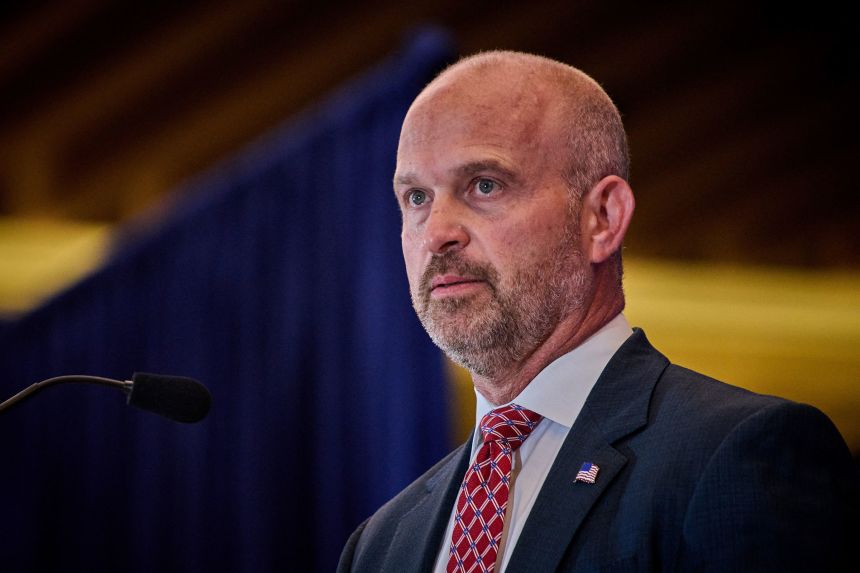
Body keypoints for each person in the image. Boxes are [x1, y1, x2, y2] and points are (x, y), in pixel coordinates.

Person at [337, 51, 859, 572]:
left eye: (485, 185)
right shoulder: (381, 545)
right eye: (417, 197)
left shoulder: (739, 456)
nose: (436, 232)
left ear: (603, 218)